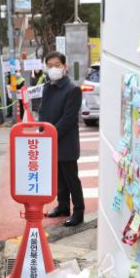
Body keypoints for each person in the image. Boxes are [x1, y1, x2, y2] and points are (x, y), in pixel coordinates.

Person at [38, 51, 85, 227]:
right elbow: (43, 111)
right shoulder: (47, 86)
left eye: (57, 65)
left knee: (71, 178)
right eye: (49, 66)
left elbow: (68, 118)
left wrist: (49, 133)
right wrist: (42, 130)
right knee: (58, 177)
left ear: (64, 67)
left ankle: (78, 211)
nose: (53, 69)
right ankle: (63, 206)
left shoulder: (72, 89)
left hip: (66, 142)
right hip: (50, 140)